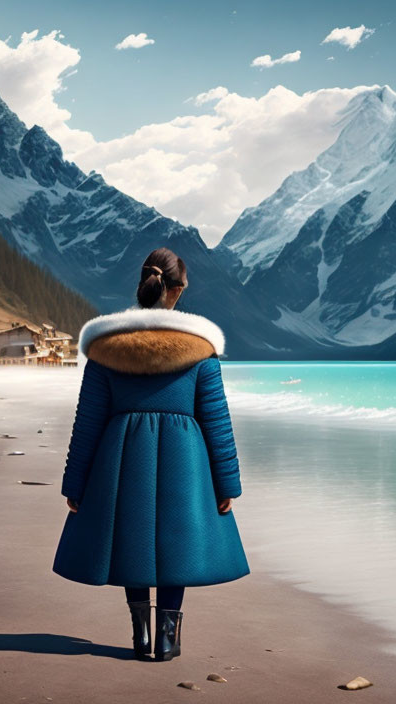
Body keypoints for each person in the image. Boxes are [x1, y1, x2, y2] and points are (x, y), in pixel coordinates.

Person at [52, 247, 250, 662]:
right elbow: (216, 421)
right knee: (176, 546)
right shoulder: (201, 349)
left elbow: (87, 422)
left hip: (121, 457)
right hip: (187, 460)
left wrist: (75, 483)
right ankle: (168, 640)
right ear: (177, 289)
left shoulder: (107, 348)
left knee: (132, 540)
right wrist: (227, 482)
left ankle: (140, 635)